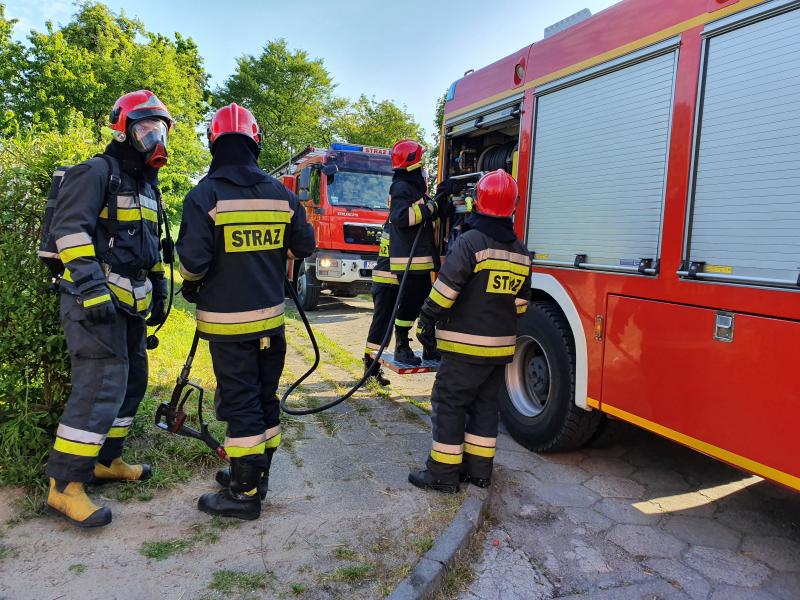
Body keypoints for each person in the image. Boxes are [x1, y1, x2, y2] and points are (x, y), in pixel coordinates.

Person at [176, 103, 315, 520]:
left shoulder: (204, 196)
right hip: (272, 323)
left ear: (213, 142)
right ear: (255, 142)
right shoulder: (282, 194)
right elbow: (303, 246)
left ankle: (243, 494)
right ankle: (258, 473)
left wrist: (192, 275)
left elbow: (193, 265)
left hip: (228, 325)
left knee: (241, 405)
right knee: (263, 399)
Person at [45, 90, 172, 527]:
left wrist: (156, 283)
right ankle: (65, 487)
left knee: (131, 383)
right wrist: (92, 288)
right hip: (92, 303)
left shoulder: (147, 186)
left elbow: (151, 246)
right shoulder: (96, 172)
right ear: (123, 130)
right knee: (98, 387)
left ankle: (106, 461)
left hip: (129, 304)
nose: (155, 138)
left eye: (160, 129)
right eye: (144, 128)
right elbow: (69, 230)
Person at [410, 170, 531, 493]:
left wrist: (426, 319)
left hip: (464, 348)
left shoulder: (470, 242)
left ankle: (442, 475)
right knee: (484, 406)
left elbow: (445, 291)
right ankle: (479, 472)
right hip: (500, 349)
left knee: (449, 403)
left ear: (477, 201)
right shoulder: (520, 251)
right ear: (513, 207)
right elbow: (520, 304)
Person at [387, 140, 447, 366]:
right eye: (420, 163)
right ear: (413, 164)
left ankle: (429, 345)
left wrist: (438, 201)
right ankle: (401, 346)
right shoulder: (402, 187)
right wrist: (431, 208)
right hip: (409, 261)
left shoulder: (411, 187)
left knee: (425, 303)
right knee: (411, 305)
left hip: (418, 261)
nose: (423, 168)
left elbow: (421, 211)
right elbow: (401, 217)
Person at [362, 220, 397, 386]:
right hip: (387, 282)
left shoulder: (391, 222)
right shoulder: (397, 223)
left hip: (386, 281)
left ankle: (372, 369)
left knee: (383, 328)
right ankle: (370, 370)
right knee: (381, 328)